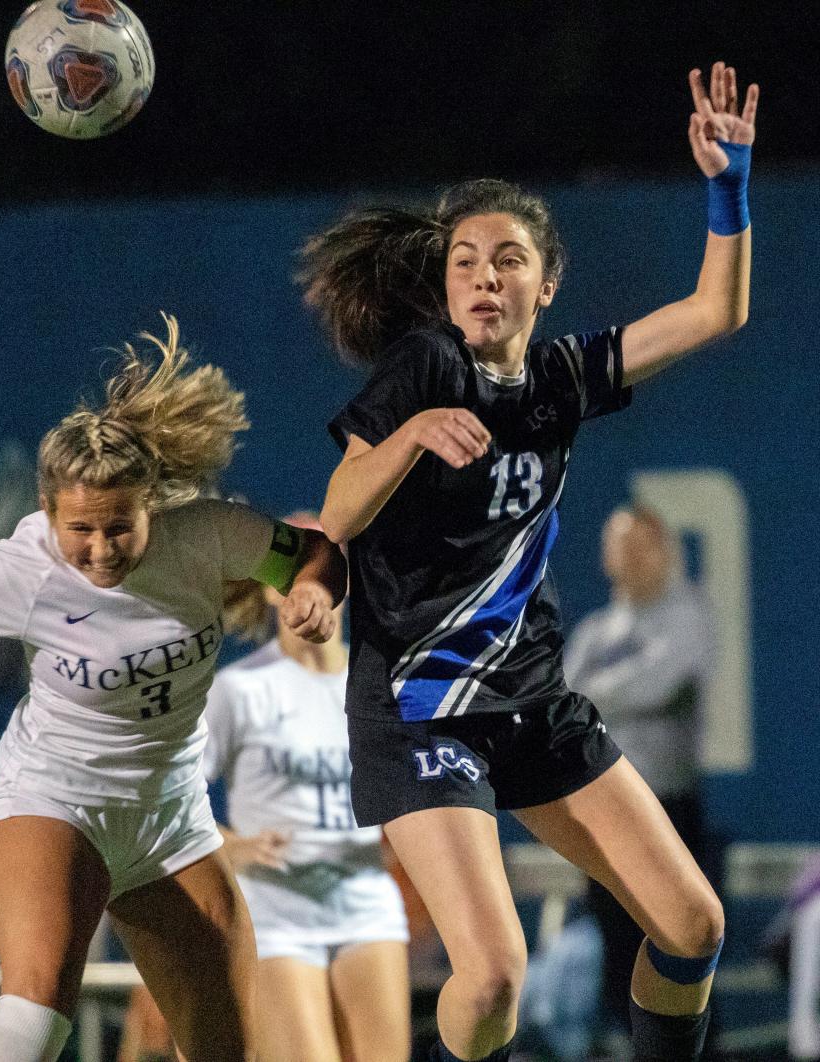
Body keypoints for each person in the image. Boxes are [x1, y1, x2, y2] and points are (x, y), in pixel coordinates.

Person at [300, 63, 756, 1062]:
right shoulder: (426, 368)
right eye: (464, 261)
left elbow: (715, 313)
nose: (482, 277)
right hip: (418, 708)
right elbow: (336, 512)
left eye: (507, 260)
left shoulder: (559, 378)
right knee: (496, 977)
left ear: (545, 285)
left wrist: (728, 189)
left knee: (694, 928)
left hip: (533, 702)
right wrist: (413, 432)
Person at [0, 314, 347, 1062]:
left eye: (119, 527)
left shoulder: (209, 532)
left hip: (172, 825)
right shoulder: (21, 568)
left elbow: (312, 555)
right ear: (48, 512)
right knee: (37, 1007)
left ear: (153, 504)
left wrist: (313, 591)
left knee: (228, 1051)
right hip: (53, 800)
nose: (98, 550)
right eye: (78, 530)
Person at [118, 516, 411, 1062]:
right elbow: (167, 789)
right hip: (277, 911)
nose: (313, 585)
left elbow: (410, 788)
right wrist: (231, 845)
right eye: (295, 571)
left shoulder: (381, 686)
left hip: (365, 901)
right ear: (273, 591)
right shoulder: (241, 689)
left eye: (333, 567)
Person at [564, 506, 718, 1048]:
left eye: (641, 544)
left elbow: (658, 684)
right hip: (606, 818)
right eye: (619, 544)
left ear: (665, 551)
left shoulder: (689, 615)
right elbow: (560, 702)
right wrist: (592, 698)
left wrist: (596, 697)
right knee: (617, 956)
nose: (629, 555)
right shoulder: (594, 632)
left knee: (684, 953)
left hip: (670, 810)